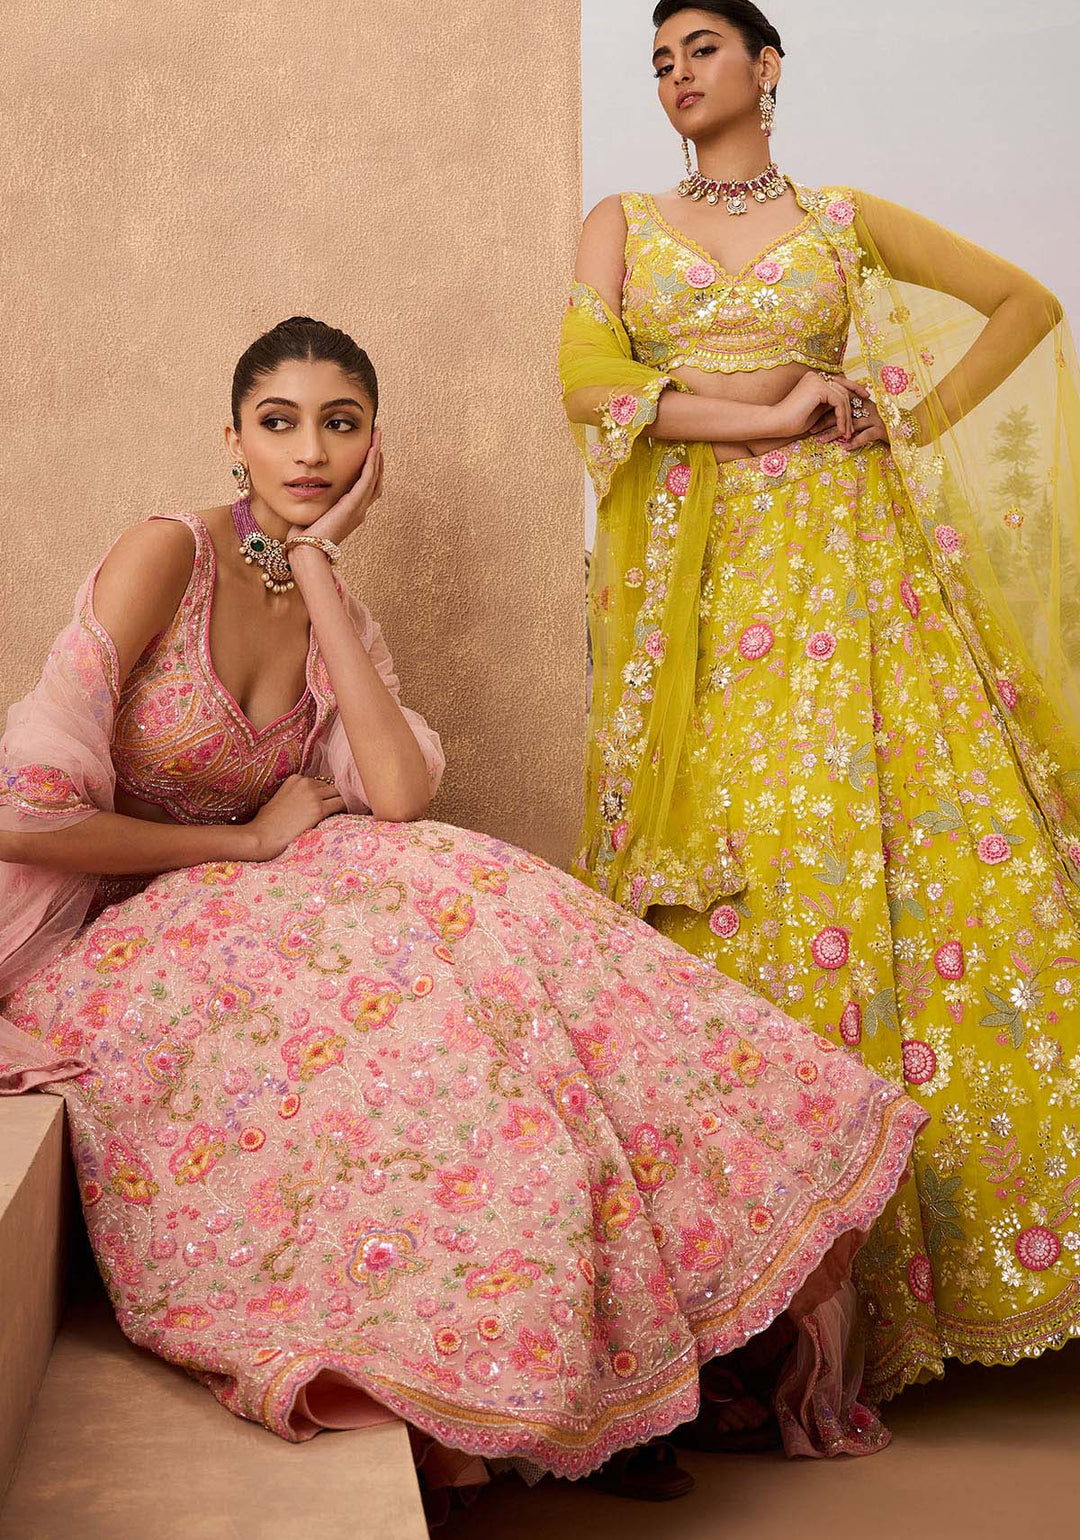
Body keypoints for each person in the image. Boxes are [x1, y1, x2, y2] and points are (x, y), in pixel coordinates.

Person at [0, 316, 923, 1500]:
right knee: (380, 971)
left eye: (340, 424)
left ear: (372, 447)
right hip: (119, 932)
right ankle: (511, 1370)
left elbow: (394, 794)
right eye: (279, 422)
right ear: (232, 439)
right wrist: (241, 843)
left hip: (245, 905)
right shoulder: (163, 556)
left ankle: (631, 1344)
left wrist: (320, 568)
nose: (309, 451)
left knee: (470, 892)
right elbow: (22, 820)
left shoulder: (325, 598)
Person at [560, 0, 1080, 1406]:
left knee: (895, 852)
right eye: (658, 59)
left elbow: (1026, 305)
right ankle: (762, 1299)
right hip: (705, 596)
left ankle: (914, 1270)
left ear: (768, 65)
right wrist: (768, 409)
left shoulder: (840, 219)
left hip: (855, 577)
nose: (677, 73)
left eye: (703, 49)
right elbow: (588, 382)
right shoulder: (623, 223)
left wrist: (900, 421)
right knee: (742, 870)